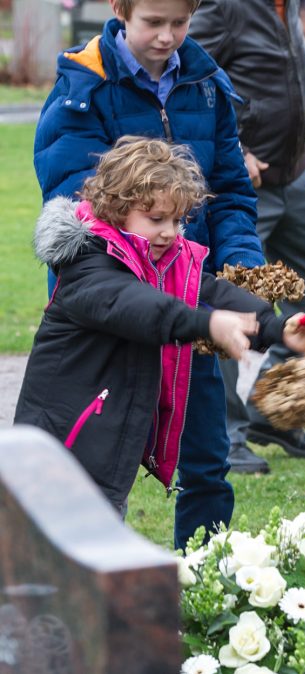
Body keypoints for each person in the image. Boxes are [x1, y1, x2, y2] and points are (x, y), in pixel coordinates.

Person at [33, 0, 266, 550]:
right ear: (119, 10)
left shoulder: (207, 82)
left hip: (191, 303)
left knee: (207, 463)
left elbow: (230, 188)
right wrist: (162, 291)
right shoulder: (83, 87)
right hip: (109, 323)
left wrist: (242, 267)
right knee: (90, 476)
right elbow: (80, 204)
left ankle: (205, 591)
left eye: (179, 24)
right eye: (152, 23)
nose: (167, 37)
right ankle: (83, 592)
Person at [15, 137, 305, 515]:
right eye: (156, 219)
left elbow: (210, 291)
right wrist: (207, 324)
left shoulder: (161, 259)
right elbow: (142, 308)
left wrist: (276, 326)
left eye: (177, 220)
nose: (170, 232)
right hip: (59, 455)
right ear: (116, 209)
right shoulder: (87, 266)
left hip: (106, 454)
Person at [189, 0, 305, 474]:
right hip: (249, 184)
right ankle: (226, 436)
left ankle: (273, 410)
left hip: (294, 177)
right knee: (235, 302)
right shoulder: (226, 7)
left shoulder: (287, 7)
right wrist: (238, 151)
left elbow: (290, 81)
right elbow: (197, 82)